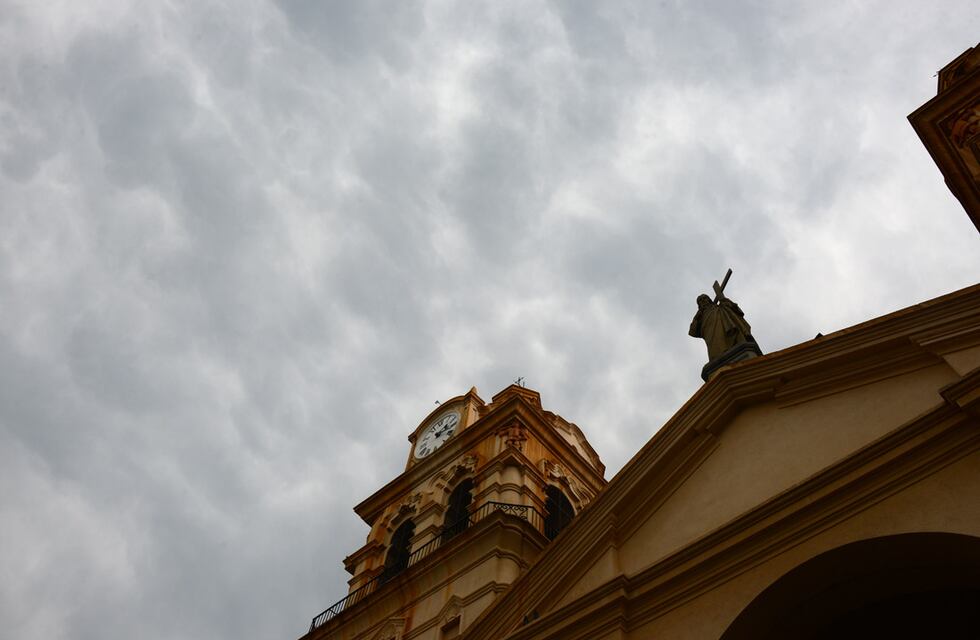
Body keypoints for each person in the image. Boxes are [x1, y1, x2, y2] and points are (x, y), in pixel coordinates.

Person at [689, 293, 755, 361]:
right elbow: (692, 332)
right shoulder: (700, 317)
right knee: (715, 352)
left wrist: (723, 300)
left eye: (704, 298)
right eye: (700, 300)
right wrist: (697, 318)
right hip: (710, 335)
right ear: (699, 305)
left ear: (709, 299)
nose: (703, 301)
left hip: (724, 328)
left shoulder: (720, 307)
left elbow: (734, 308)